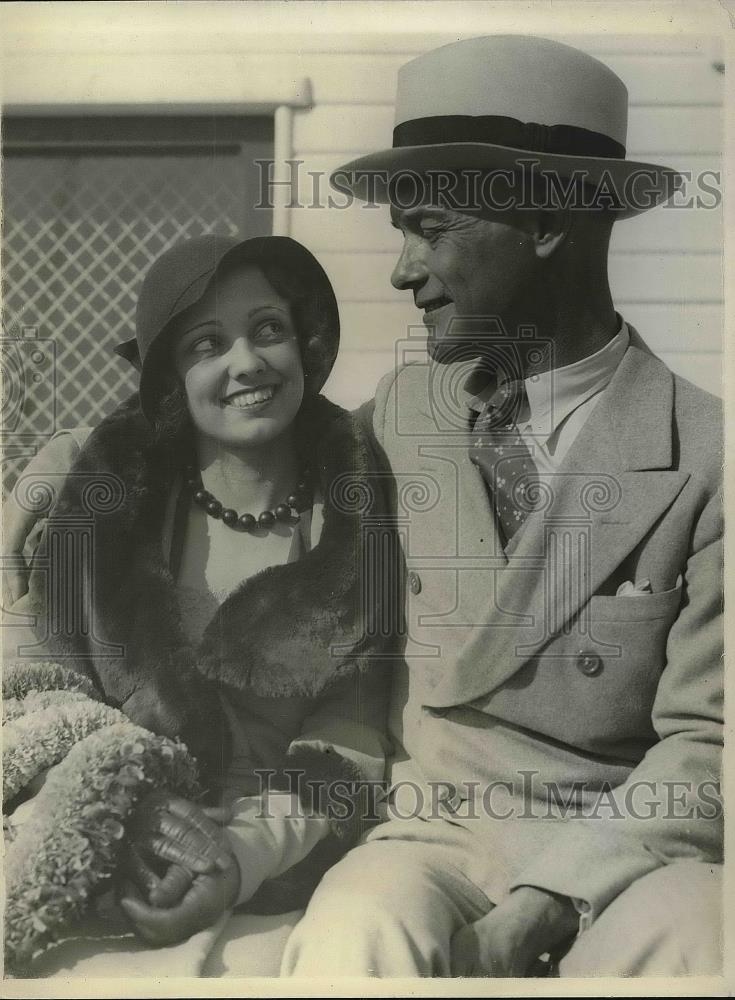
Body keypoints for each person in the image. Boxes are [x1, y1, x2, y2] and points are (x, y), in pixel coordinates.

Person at [278, 35, 724, 976]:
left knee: (699, 935)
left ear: (550, 223)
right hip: (430, 838)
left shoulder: (709, 455)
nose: (402, 271)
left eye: (430, 228)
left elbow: (709, 743)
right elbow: (238, 487)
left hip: (621, 853)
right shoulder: (395, 421)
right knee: (354, 931)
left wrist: (547, 902)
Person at [2, 234, 395, 948]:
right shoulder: (101, 510)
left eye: (268, 329)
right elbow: (35, 694)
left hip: (291, 879)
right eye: (205, 344)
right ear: (170, 380)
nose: (247, 362)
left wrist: (248, 850)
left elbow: (358, 726)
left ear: (304, 341)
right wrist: (123, 811)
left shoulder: (357, 513)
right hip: (111, 854)